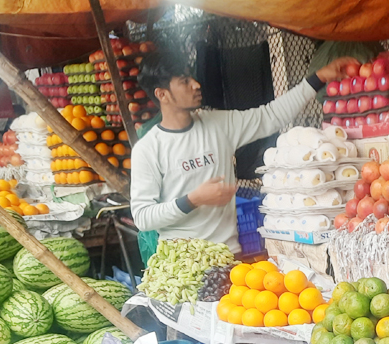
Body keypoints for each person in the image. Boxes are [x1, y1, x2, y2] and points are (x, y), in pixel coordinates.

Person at [130, 51, 358, 254]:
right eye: (184, 81)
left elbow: (270, 116)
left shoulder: (218, 125)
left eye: (192, 77)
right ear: (162, 94)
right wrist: (193, 200)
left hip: (228, 257)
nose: (196, 84)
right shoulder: (148, 149)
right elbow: (142, 217)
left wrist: (318, 78)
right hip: (181, 267)